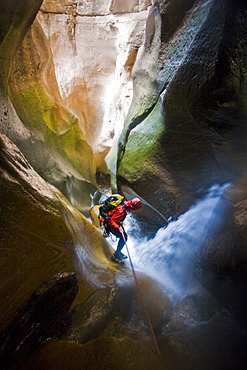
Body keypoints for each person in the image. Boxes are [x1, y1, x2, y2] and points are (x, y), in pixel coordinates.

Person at [100, 197, 142, 264]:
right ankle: (115, 256)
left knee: (124, 236)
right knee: (123, 237)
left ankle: (118, 251)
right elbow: (111, 220)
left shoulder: (125, 203)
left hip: (115, 222)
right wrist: (118, 227)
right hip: (110, 224)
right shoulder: (121, 210)